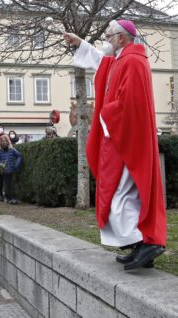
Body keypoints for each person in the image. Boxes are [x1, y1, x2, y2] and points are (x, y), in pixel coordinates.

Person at [64, 20, 166, 270]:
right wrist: (81, 44)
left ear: (122, 38)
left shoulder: (133, 61)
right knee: (126, 196)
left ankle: (146, 243)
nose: (106, 40)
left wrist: (105, 115)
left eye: (109, 36)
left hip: (126, 142)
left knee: (121, 197)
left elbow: (130, 102)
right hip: (120, 140)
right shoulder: (122, 59)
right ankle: (141, 247)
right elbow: (102, 62)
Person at [0, 135, 22, 204]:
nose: (4, 143)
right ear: (0, 142)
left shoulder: (12, 149)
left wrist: (16, 165)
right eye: (3, 142)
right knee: (6, 185)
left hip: (12, 170)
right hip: (4, 172)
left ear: (8, 142)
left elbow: (19, 156)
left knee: (13, 185)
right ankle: (7, 197)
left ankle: (14, 197)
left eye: (5, 141)